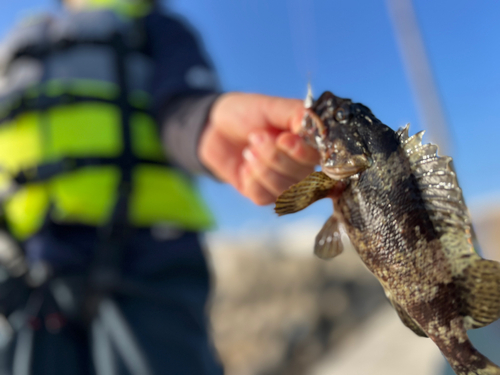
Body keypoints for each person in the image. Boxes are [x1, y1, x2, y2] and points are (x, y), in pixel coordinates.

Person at [0, 0, 319, 374]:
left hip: (148, 260)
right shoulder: (18, 41)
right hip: (23, 274)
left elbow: (182, 107)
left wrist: (210, 124)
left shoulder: (158, 26)